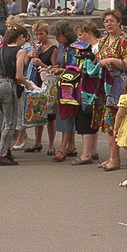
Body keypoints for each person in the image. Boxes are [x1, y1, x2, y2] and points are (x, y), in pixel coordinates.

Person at [96, 10, 127, 171]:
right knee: (108, 122)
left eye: (112, 21)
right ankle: (113, 157)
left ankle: (124, 158)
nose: (109, 24)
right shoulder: (103, 41)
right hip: (105, 85)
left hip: (120, 85)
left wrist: (112, 60)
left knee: (121, 119)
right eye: (106, 21)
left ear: (119, 22)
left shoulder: (126, 40)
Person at [0, 25, 32, 166]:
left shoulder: (3, 48)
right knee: (10, 122)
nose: (24, 42)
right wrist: (27, 84)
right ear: (20, 37)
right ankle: (2, 154)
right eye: (24, 39)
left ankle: (5, 149)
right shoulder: (20, 52)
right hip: (7, 85)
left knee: (5, 119)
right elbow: (19, 75)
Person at [70, 21, 104, 165]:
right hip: (95, 88)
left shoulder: (95, 49)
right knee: (93, 118)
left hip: (90, 88)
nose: (79, 39)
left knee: (85, 119)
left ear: (89, 33)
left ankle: (86, 154)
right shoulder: (101, 45)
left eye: (80, 35)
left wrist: (87, 60)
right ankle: (93, 150)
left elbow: (93, 68)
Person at [50, 19, 79, 162]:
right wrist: (53, 68)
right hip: (63, 83)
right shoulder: (61, 46)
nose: (56, 39)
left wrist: (60, 70)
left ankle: (62, 146)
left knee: (66, 114)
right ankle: (71, 145)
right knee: (65, 113)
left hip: (71, 84)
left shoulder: (75, 47)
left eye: (58, 35)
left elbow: (75, 68)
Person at [27, 21, 57, 154]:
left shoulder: (53, 48)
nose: (39, 37)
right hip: (37, 81)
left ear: (47, 33)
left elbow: (55, 67)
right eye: (37, 34)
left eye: (41, 34)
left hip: (48, 82)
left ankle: (51, 144)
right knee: (37, 112)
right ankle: (37, 142)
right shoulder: (37, 47)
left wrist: (42, 64)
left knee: (50, 115)